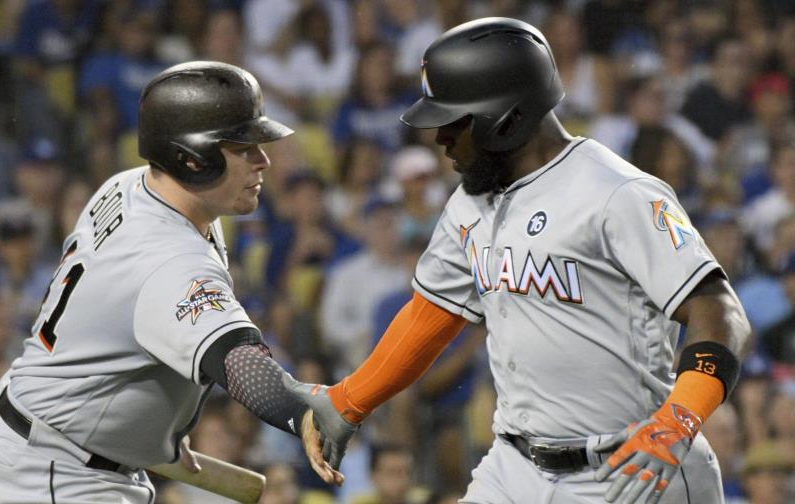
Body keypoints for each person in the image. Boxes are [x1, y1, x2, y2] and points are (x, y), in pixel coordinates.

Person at [297, 18, 751, 504]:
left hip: (631, 468)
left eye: (455, 122)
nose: (440, 138)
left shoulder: (617, 193)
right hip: (514, 466)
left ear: (507, 119)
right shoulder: (470, 201)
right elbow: (430, 315)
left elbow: (719, 311)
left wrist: (680, 418)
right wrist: (348, 400)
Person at [0, 61, 353, 503]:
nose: (263, 160)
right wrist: (300, 408)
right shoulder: (168, 258)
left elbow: (118, 320)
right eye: (243, 147)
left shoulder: (132, 185)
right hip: (52, 472)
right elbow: (236, 359)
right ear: (193, 158)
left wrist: (157, 420)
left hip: (51, 439)